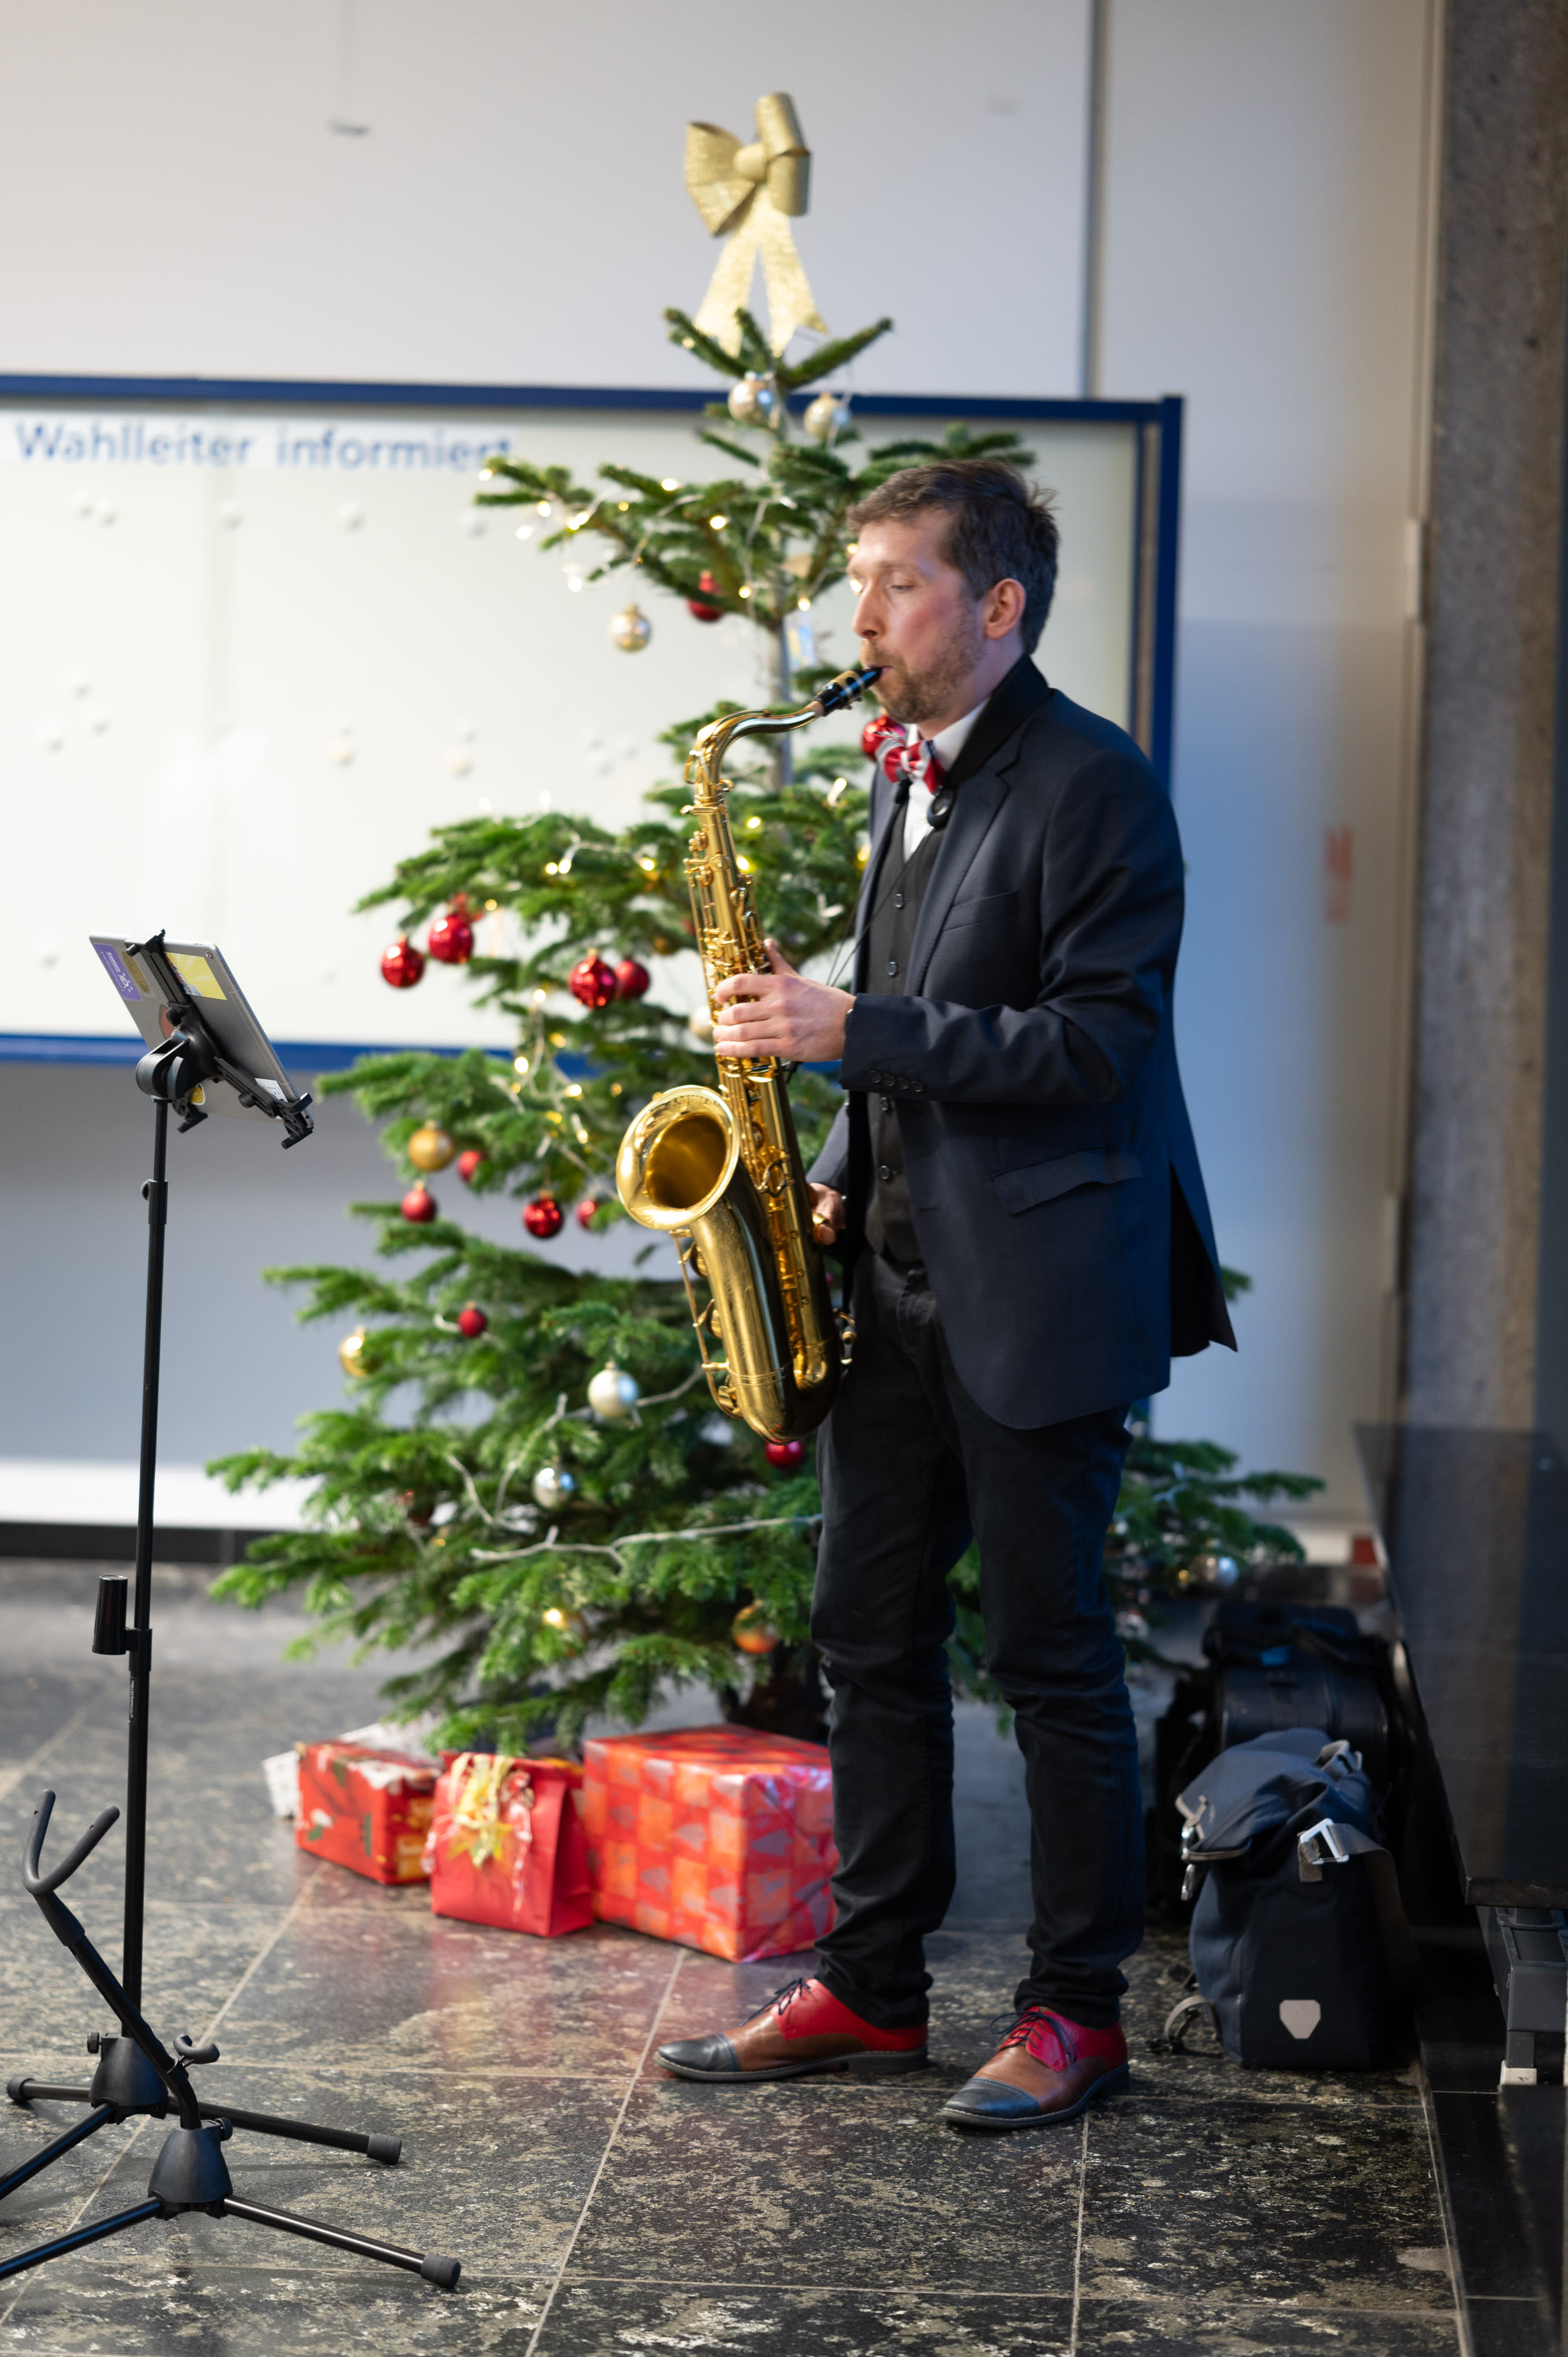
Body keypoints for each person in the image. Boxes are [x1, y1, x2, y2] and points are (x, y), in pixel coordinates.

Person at [656, 460, 1234, 2128]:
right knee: (867, 1642)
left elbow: (1097, 1047)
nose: (860, 621)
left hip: (1042, 1288)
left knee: (1052, 1663)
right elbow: (905, 1016)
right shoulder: (906, 776)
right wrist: (843, 1158)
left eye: (895, 584)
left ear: (998, 605)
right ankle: (874, 1983)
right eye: (861, 585)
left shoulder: (1100, 786)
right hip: (893, 1281)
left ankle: (1076, 2014)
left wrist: (855, 1032)